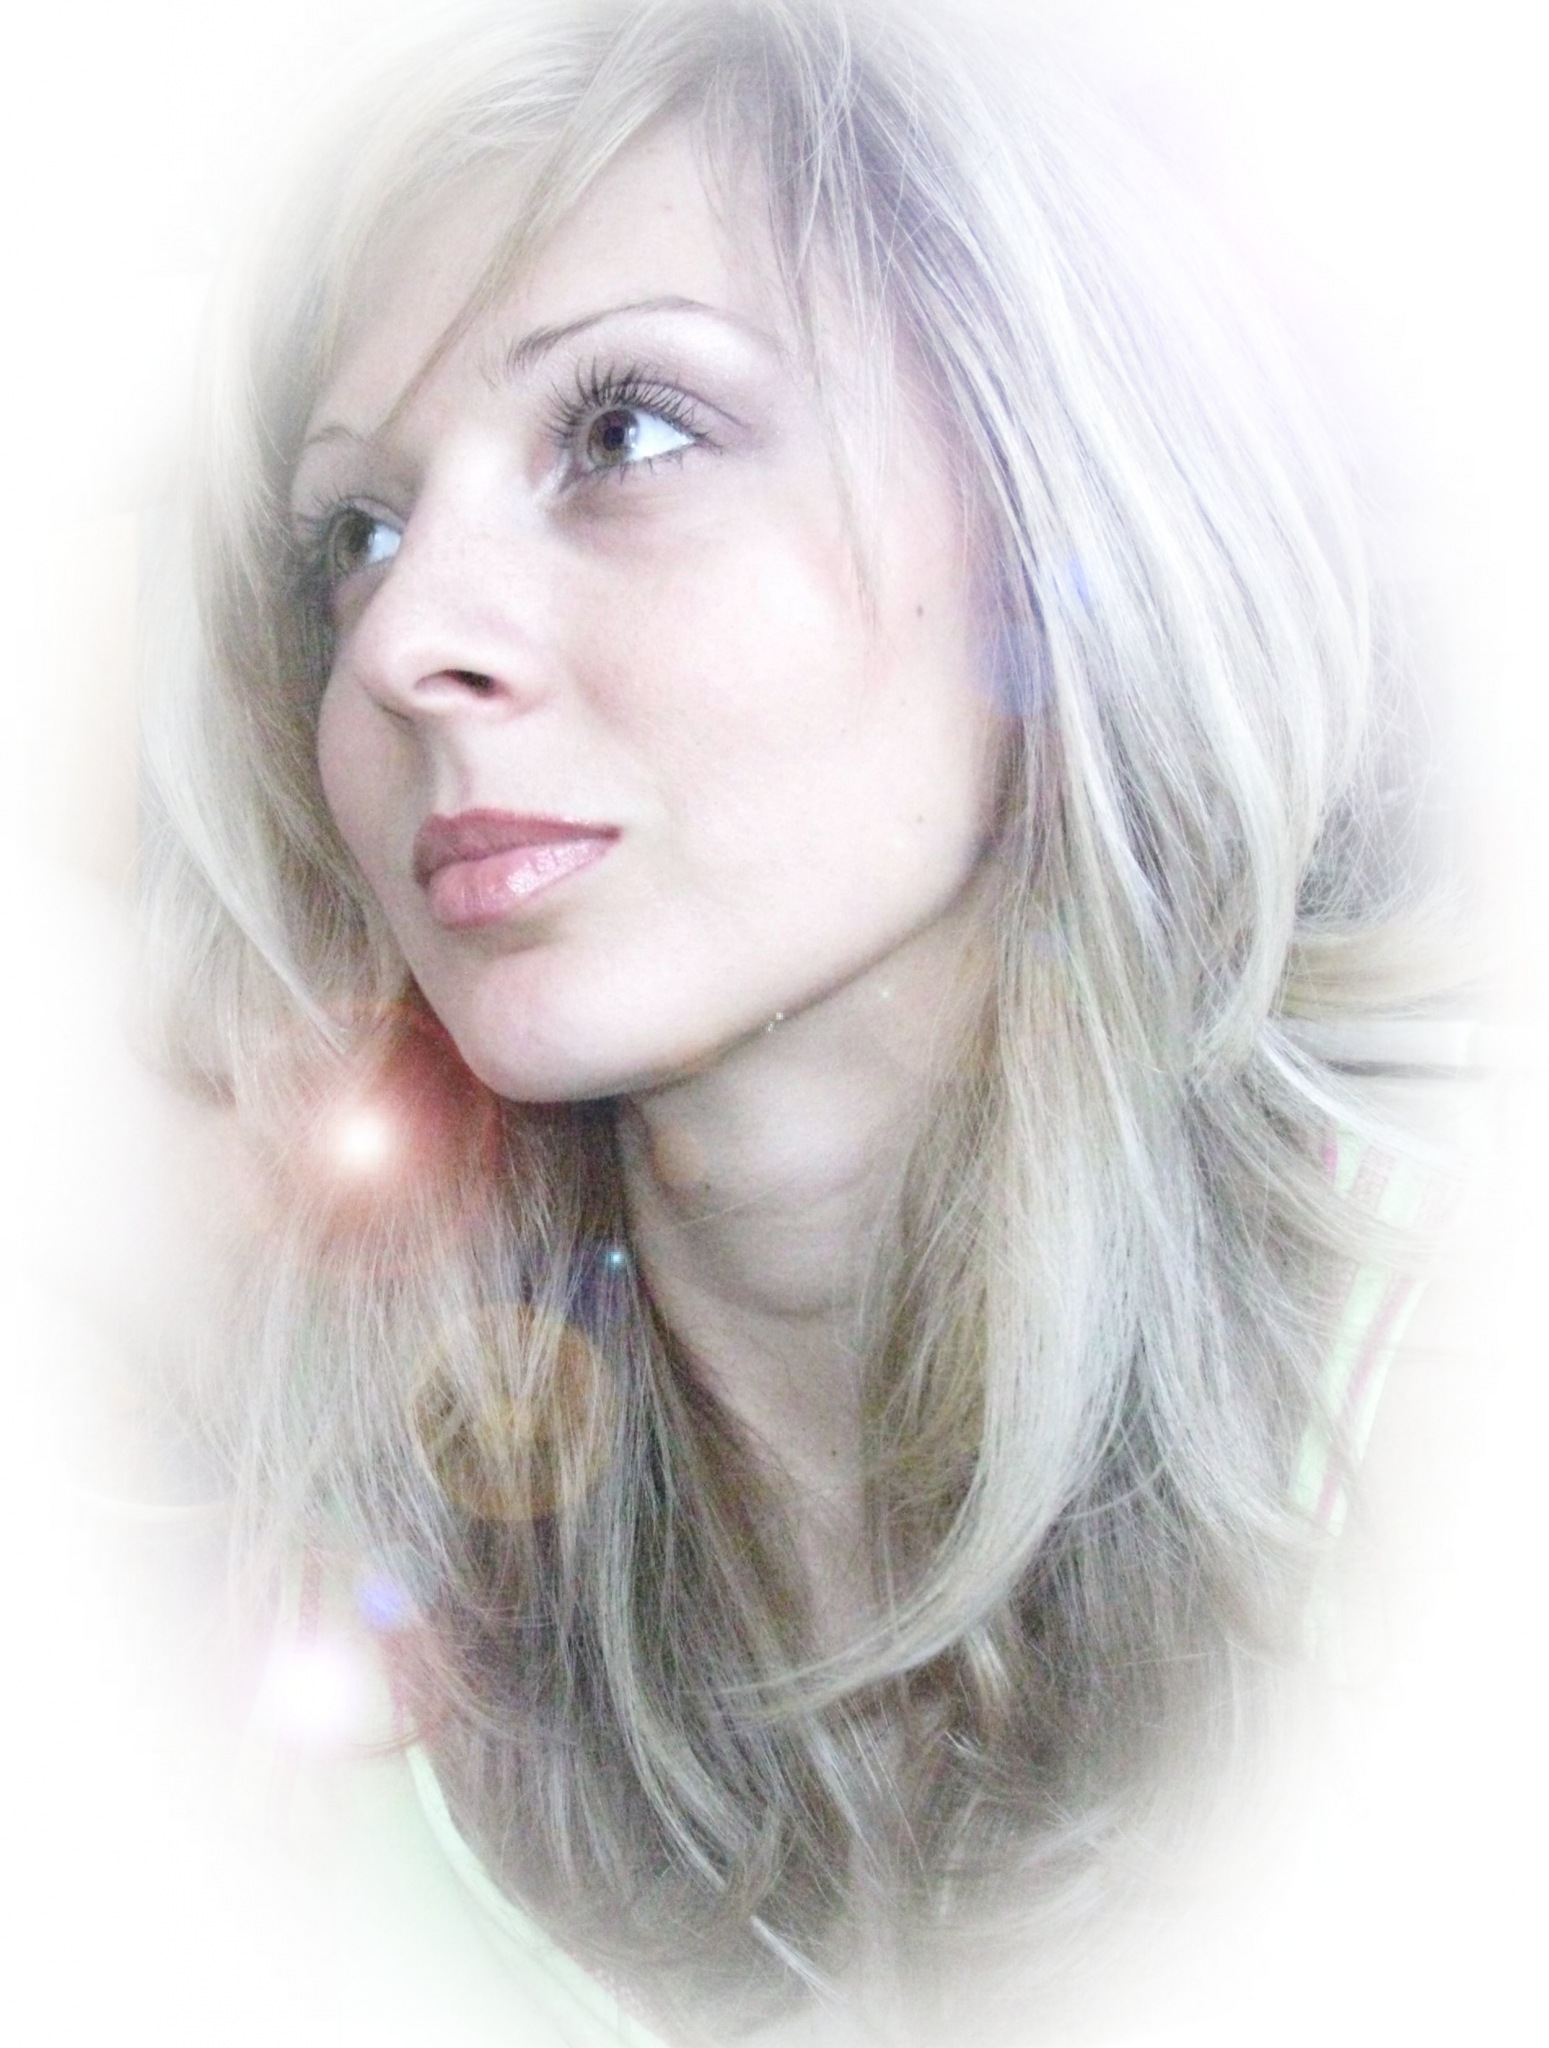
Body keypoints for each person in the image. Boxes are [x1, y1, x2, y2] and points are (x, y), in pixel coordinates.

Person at [140, 0, 1462, 2039]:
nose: (400, 638)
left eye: (627, 433)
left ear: (1055, 499)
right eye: (357, 534)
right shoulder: (278, 1648)